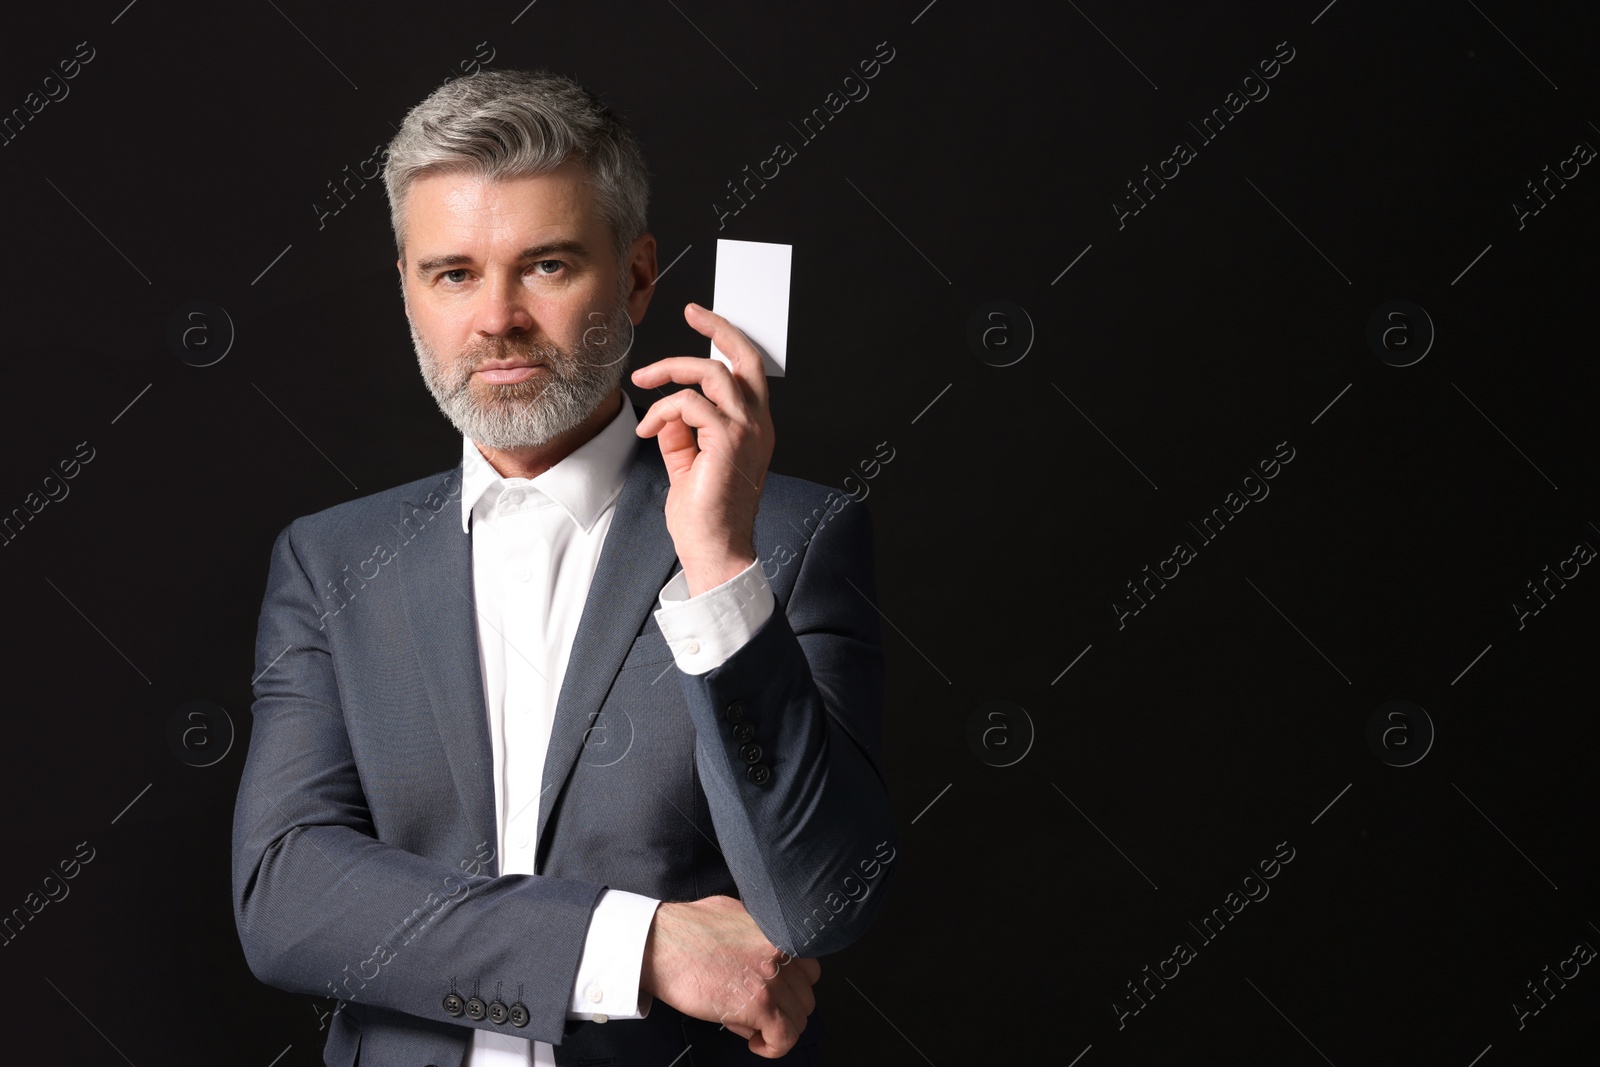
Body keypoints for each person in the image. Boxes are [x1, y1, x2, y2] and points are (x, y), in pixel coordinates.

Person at [230, 68, 898, 1067]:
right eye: (452, 273)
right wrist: (635, 945)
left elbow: (822, 897)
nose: (495, 318)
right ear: (408, 289)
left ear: (634, 278)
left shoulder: (792, 538)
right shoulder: (328, 561)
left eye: (544, 265)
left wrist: (718, 561)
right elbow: (285, 897)